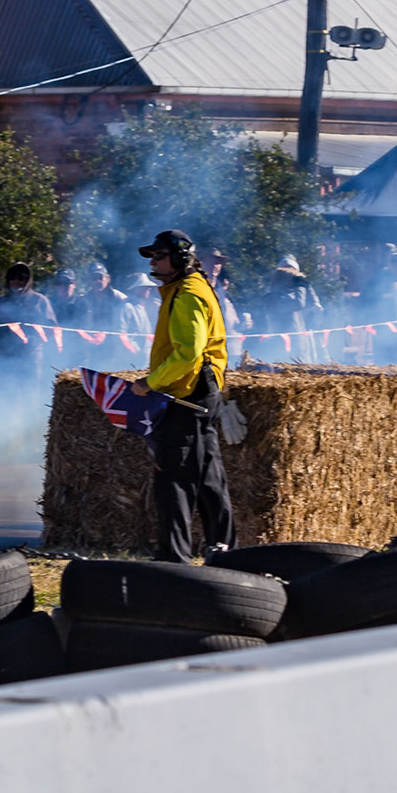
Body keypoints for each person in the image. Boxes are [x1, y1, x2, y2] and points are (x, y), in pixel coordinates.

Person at [131, 229, 233, 564]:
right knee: (208, 481)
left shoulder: (187, 294)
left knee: (173, 481)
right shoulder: (188, 289)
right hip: (201, 395)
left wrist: (150, 383)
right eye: (152, 257)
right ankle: (227, 553)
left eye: (159, 256)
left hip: (186, 396)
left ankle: (173, 561)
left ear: (180, 258)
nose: (153, 262)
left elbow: (188, 354)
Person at [0, 262, 57, 399]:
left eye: (21, 278)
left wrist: (35, 342)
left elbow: (52, 328)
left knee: (30, 392)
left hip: (31, 355)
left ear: (28, 280)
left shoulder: (39, 300)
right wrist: (0, 345)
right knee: (5, 393)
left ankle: (30, 419)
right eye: (13, 278)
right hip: (6, 356)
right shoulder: (1, 302)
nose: (17, 281)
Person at [265, 254, 322, 362]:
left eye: (291, 268)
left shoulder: (300, 284)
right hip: (283, 332)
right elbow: (298, 303)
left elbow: (315, 306)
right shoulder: (274, 288)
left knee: (303, 359)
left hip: (301, 330)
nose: (288, 271)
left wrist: (313, 320)